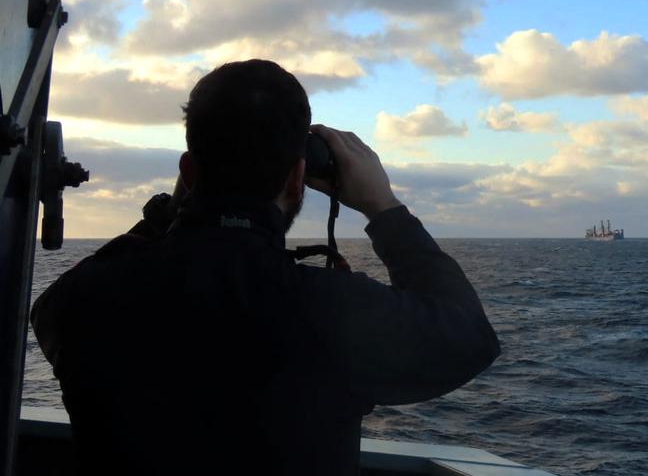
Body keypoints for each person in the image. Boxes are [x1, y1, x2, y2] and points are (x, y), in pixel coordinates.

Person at [31, 59, 500, 476]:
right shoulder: (335, 313)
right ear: (298, 178)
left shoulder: (83, 300)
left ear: (188, 172)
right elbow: (469, 338)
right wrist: (383, 206)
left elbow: (61, 307)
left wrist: (176, 208)